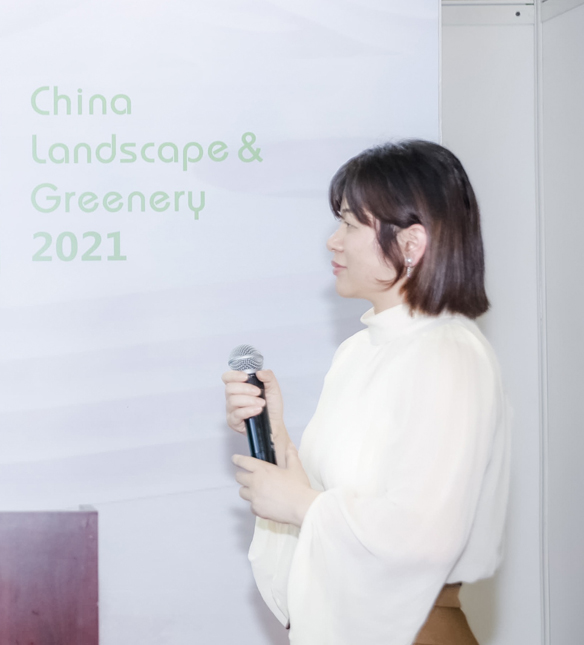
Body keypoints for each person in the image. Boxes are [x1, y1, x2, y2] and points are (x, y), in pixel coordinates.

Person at [221, 140, 509, 644]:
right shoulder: (358, 351)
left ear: (411, 243)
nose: (333, 242)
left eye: (351, 224)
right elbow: (327, 501)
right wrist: (276, 435)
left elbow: (425, 536)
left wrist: (300, 505)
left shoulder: (448, 353)